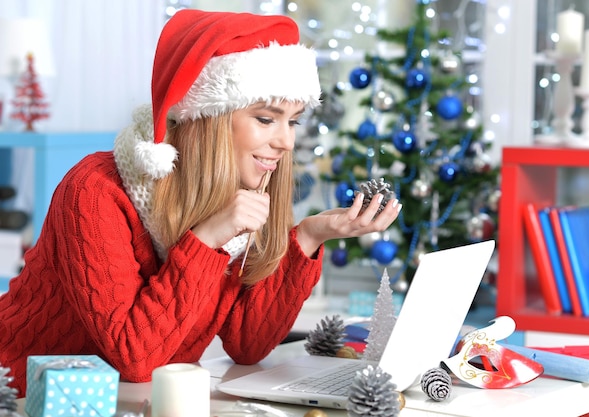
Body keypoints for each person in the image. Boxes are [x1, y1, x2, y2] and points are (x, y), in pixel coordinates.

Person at [0, 9, 402, 396]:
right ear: (209, 119)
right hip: (21, 397)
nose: (287, 141)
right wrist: (206, 239)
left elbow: (248, 344)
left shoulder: (242, 190)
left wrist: (309, 237)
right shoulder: (94, 190)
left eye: (292, 121)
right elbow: (136, 359)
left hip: (131, 402)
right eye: (266, 118)